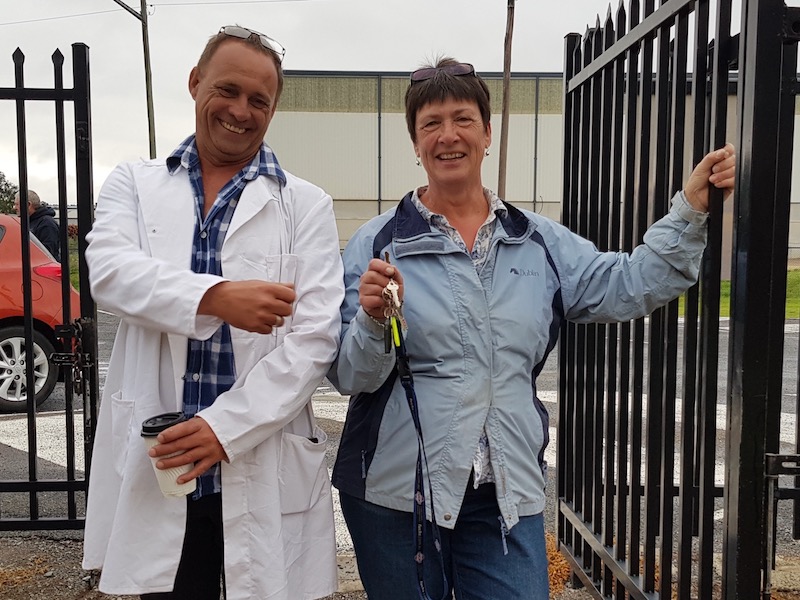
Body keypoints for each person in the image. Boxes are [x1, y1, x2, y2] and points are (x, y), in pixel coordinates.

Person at [329, 57, 736, 600]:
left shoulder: (537, 241)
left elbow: (628, 282)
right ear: (415, 141)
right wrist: (373, 321)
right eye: (431, 124)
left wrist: (690, 209)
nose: (448, 136)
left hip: (505, 491)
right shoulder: (377, 243)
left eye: (463, 119)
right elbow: (349, 375)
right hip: (397, 494)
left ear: (488, 132)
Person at [81, 26, 344, 600]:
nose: (240, 111)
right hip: (164, 461)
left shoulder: (305, 204)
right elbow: (108, 273)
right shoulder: (135, 182)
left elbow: (316, 339)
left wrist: (223, 431)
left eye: (259, 101)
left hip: (257, 451)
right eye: (227, 90)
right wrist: (214, 298)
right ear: (196, 82)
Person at [14, 189, 60, 260]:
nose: (14, 208)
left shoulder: (47, 224)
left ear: (28, 205)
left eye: (16, 204)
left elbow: (47, 253)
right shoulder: (29, 222)